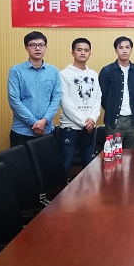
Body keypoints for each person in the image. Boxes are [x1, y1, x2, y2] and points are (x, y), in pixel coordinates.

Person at [7, 31, 61, 147]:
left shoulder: (54, 71)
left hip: (47, 130)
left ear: (46, 47)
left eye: (41, 45)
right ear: (26, 47)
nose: (38, 48)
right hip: (22, 131)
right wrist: (34, 123)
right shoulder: (15, 71)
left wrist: (44, 121)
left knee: (46, 160)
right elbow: (14, 100)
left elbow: (56, 99)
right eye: (33, 45)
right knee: (20, 160)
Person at [59, 38, 102, 174]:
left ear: (90, 53)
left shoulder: (93, 74)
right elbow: (65, 102)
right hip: (70, 128)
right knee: (65, 166)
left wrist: (92, 119)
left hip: (90, 128)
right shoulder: (63, 74)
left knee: (90, 167)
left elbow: (98, 98)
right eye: (79, 50)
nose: (83, 53)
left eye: (86, 50)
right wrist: (84, 121)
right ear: (72, 53)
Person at [98, 36, 134, 149]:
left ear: (131, 49)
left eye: (127, 47)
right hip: (114, 121)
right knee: (113, 154)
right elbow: (102, 96)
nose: (124, 51)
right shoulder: (107, 71)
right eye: (120, 47)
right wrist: (111, 108)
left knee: (133, 156)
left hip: (133, 121)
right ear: (115, 50)